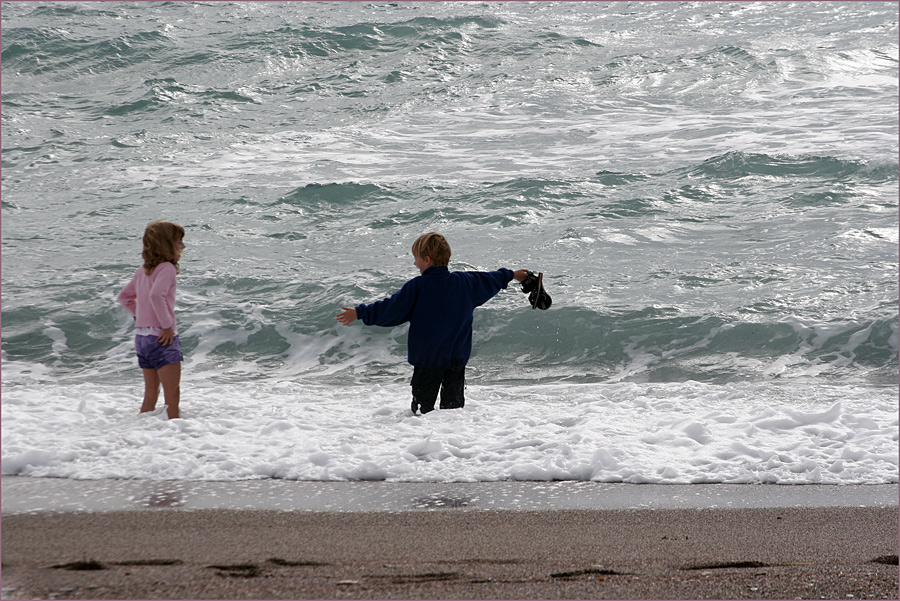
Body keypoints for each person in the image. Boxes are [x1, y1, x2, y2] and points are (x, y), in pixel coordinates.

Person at [336, 232, 529, 414]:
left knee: (421, 411)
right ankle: (452, 444)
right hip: (456, 359)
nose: (414, 263)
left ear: (427, 260)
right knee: (453, 411)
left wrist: (361, 313)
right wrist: (515, 275)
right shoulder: (465, 282)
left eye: (416, 258)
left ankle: (424, 446)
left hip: (427, 361)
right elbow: (492, 278)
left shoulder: (418, 287)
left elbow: (391, 309)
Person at [118, 221, 186, 420]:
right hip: (161, 337)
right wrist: (166, 327)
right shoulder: (167, 268)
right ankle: (176, 437)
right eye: (179, 241)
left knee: (150, 395)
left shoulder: (143, 270)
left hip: (142, 338)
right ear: (167, 244)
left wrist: (139, 316)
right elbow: (157, 296)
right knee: (172, 396)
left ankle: (143, 435)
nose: (183, 246)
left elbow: (124, 297)